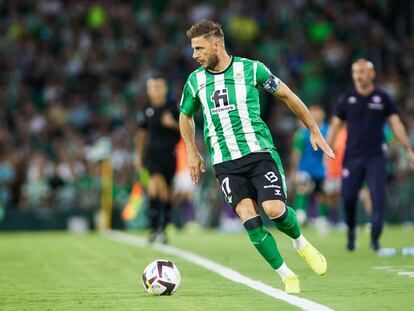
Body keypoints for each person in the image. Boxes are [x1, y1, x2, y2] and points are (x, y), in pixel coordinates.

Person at [178, 19, 335, 294]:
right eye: (193, 49)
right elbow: (185, 116)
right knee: (249, 219)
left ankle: (301, 243)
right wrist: (192, 151)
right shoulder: (195, 81)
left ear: (217, 44)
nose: (195, 55)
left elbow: (287, 95)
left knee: (274, 210)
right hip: (225, 164)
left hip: (259, 153)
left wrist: (313, 129)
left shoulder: (252, 69)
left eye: (199, 48)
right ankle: (286, 275)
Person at [326, 59, 414, 251]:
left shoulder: (383, 98)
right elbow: (335, 125)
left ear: (372, 74)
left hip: (376, 157)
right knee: (348, 197)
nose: (359, 75)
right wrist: (327, 149)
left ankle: (375, 238)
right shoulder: (346, 98)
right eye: (356, 72)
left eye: (363, 72)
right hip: (352, 157)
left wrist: (408, 149)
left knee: (378, 198)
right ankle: (351, 231)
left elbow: (396, 123)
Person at [135, 75, 181, 244]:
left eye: (158, 87)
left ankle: (164, 226)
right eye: (152, 87)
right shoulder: (146, 109)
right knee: (154, 187)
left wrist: (172, 124)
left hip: (169, 155)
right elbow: (141, 134)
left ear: (164, 89)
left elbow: (186, 128)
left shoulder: (173, 107)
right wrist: (138, 156)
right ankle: (154, 229)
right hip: (152, 155)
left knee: (166, 192)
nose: (154, 90)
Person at [290, 105, 330, 230]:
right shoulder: (303, 133)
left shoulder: (327, 131)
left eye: (318, 112)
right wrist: (294, 170)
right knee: (302, 188)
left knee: (321, 194)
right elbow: (296, 152)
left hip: (321, 169)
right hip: (305, 168)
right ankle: (300, 214)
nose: (315, 115)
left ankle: (322, 219)